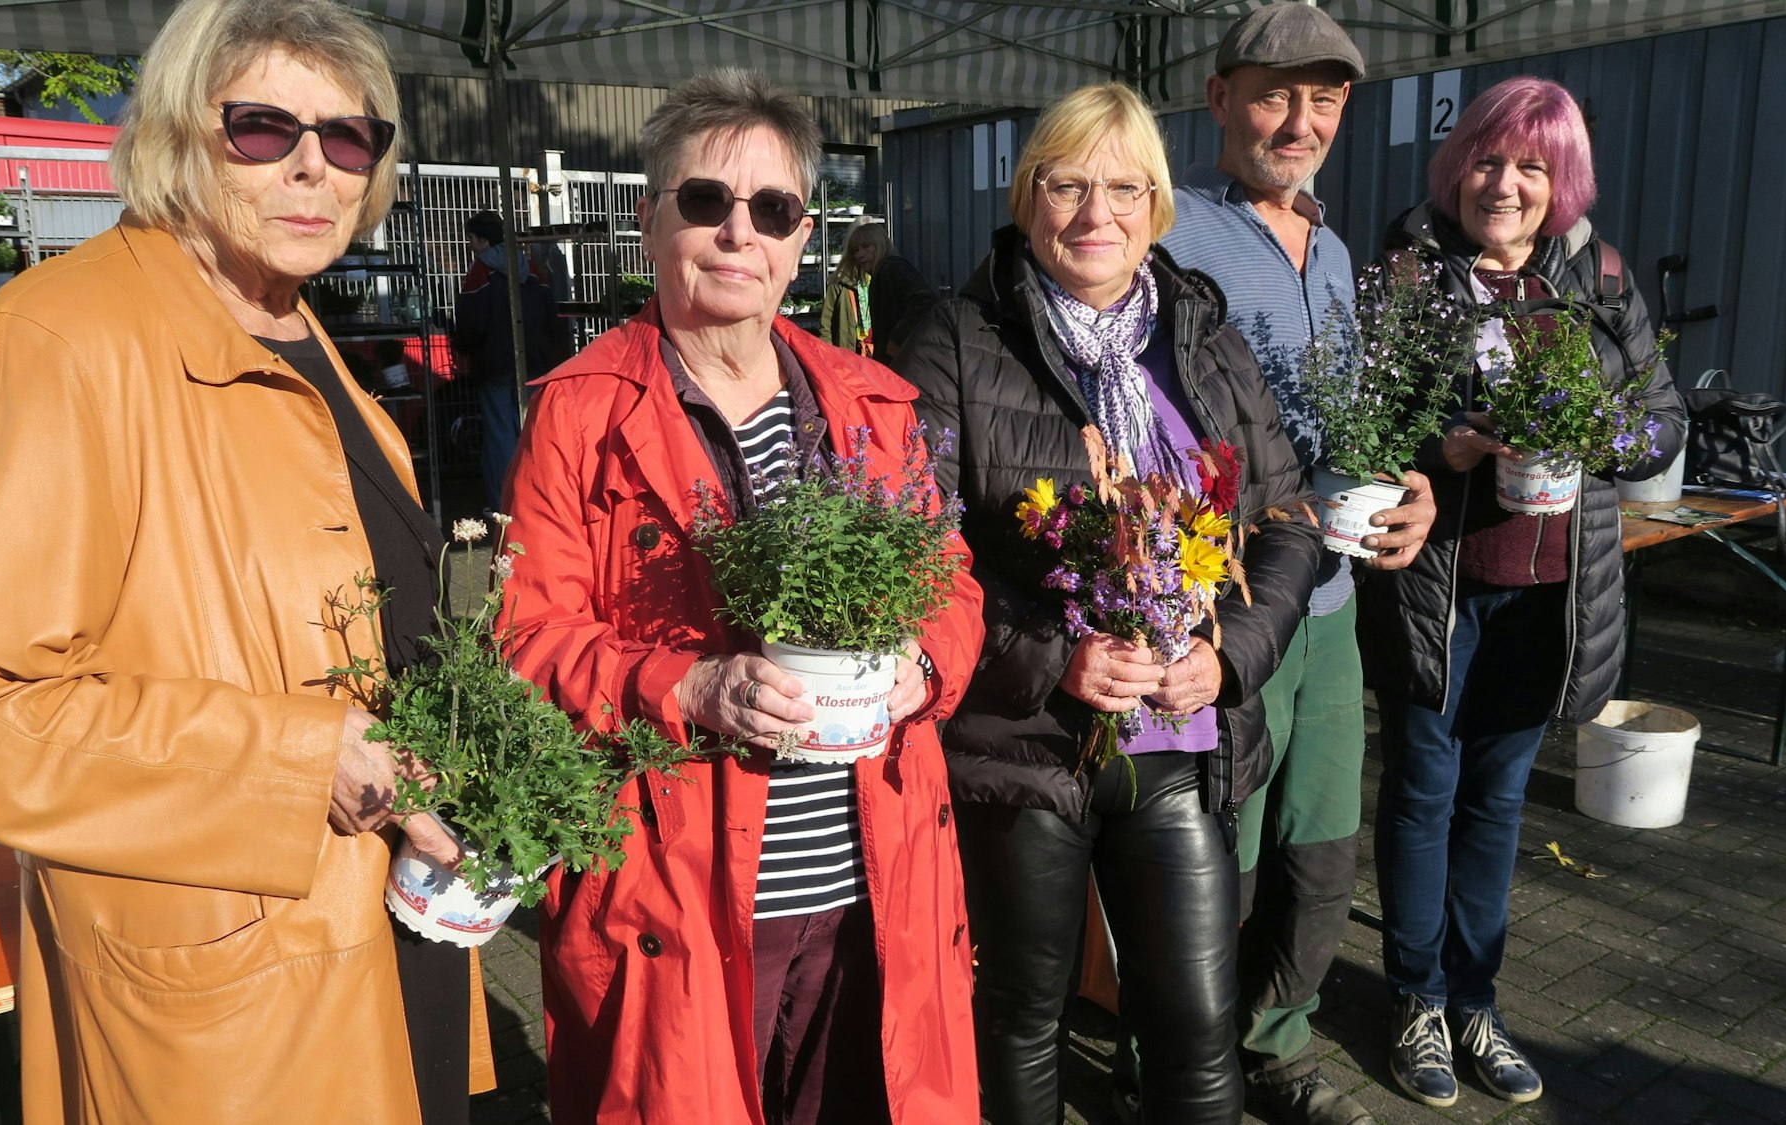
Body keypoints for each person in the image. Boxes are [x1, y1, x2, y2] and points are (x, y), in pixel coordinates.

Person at [0, 0, 491, 1121]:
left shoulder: (305, 340)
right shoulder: (63, 339)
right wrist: (298, 758)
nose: (313, 167)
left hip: (387, 940)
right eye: (261, 128)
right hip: (228, 1008)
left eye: (349, 138)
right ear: (171, 137)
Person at [500, 68, 986, 1124]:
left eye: (769, 210)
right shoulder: (580, 412)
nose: (737, 234)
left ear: (801, 237)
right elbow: (528, 636)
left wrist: (923, 666)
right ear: (648, 221)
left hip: (873, 890)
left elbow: (950, 587)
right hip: (677, 895)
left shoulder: (871, 404)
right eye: (704, 201)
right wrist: (689, 685)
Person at [896, 82, 1320, 1125]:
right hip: (1027, 750)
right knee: (1021, 1018)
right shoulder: (953, 339)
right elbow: (914, 556)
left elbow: (1288, 525)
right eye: (1067, 183)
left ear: (1157, 205)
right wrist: (1052, 658)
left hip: (1179, 745)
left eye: (1123, 187)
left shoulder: (1202, 338)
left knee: (1193, 1022)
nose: (1096, 212)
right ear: (1026, 195)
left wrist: (1230, 660)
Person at [1359, 75, 1686, 1109]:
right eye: (1487, 161)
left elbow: (1660, 421)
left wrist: (1599, 439)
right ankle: (1411, 997)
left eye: (1530, 168)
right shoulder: (1409, 273)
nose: (1503, 185)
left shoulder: (1597, 276)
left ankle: (1475, 1004)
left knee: (1495, 803)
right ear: (1457, 165)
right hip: (1436, 589)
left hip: (1550, 593)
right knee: (1420, 796)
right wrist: (1440, 448)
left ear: (1561, 182)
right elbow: (1358, 425)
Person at [1158, 7, 1436, 1123]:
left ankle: (1276, 1043)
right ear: (1220, 97)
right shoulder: (1169, 226)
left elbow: (1348, 429)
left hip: (1326, 601)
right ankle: (1178, 1057)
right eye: (1275, 94)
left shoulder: (1327, 243)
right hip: (1221, 600)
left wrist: (1406, 486)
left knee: (1319, 841)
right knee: (1211, 841)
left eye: (1322, 101)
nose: (1298, 121)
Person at [456, 208, 562, 505]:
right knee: (531, 430)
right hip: (534, 362)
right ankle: (538, 497)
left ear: (482, 240)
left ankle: (506, 501)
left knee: (500, 433)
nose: (471, 245)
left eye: (472, 239)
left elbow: (470, 323)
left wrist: (464, 348)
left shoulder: (480, 272)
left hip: (494, 364)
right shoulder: (531, 269)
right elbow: (550, 316)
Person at [820, 219, 889, 354]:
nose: (861, 254)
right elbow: (825, 326)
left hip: (878, 356)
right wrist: (830, 357)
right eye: (856, 249)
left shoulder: (885, 277)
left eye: (866, 246)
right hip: (849, 355)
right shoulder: (840, 282)